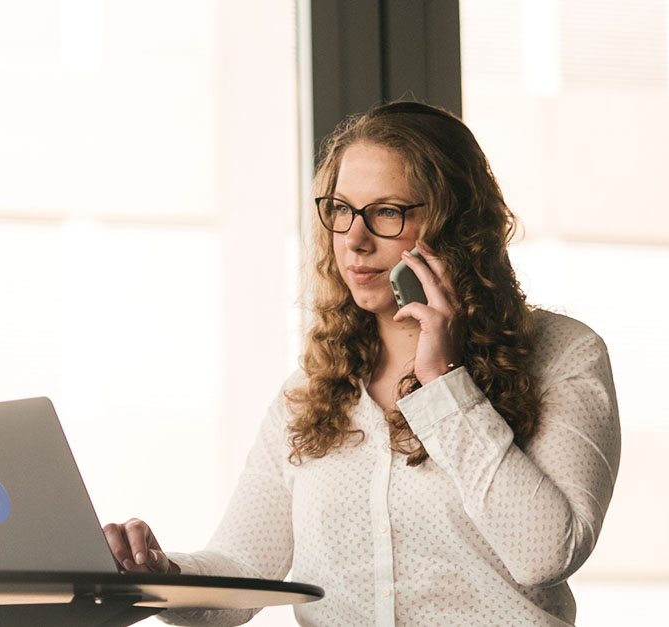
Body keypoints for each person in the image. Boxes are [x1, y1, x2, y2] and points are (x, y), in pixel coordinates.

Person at [103, 101, 621, 626]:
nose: (354, 238)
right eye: (342, 209)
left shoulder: (562, 354)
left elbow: (545, 555)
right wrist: (157, 572)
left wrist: (443, 383)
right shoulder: (310, 390)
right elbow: (241, 566)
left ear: (457, 226)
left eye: (387, 212)